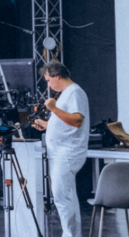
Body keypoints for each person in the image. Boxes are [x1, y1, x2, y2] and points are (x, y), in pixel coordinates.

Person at [32, 61, 89, 237]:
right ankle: (71, 234)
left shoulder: (75, 92)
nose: (48, 85)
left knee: (63, 198)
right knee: (64, 197)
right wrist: (48, 125)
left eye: (49, 80)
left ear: (57, 76)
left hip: (67, 153)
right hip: (61, 154)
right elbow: (66, 122)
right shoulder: (66, 94)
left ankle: (70, 235)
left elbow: (77, 120)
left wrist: (54, 109)